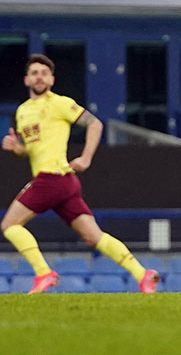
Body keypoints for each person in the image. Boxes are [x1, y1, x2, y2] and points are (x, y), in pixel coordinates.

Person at [0, 54, 160, 294]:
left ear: (52, 79)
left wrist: (85, 158)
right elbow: (29, 150)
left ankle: (44, 273)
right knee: (94, 236)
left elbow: (95, 124)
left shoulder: (60, 103)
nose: (39, 77)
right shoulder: (23, 112)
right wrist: (17, 148)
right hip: (63, 183)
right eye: (34, 73)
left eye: (44, 73)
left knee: (10, 224)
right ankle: (142, 274)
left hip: (51, 178)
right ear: (26, 80)